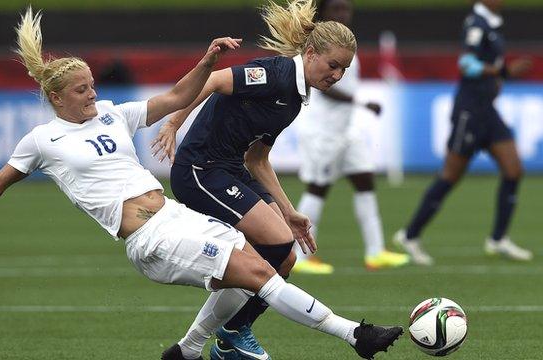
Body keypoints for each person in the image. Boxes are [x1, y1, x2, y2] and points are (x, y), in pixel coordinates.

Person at [0, 7, 403, 360]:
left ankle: (188, 350)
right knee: (261, 272)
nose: (93, 94)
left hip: (174, 215)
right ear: (56, 97)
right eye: (81, 90)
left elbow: (175, 96)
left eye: (93, 85)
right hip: (149, 238)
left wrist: (207, 61)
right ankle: (353, 335)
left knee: (265, 264)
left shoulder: (111, 115)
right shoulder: (42, 139)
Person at [151, 1, 384, 359]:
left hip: (231, 169)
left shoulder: (293, 100)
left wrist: (289, 211)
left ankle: (191, 348)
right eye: (333, 65)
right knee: (274, 243)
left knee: (285, 256)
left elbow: (257, 159)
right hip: (200, 169)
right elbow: (213, 80)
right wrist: (172, 122)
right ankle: (233, 331)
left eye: (344, 69)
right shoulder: (273, 75)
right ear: (309, 53)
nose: (337, 75)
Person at [393, 0, 533, 265]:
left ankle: (498, 239)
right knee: (450, 176)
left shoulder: (493, 24)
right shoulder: (475, 24)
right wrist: (502, 72)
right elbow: (466, 64)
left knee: (514, 169)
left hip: (487, 111)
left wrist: (499, 79)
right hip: (469, 111)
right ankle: (409, 235)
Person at [292, 0, 409, 275]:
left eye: (346, 8)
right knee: (317, 189)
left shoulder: (345, 43)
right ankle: (300, 256)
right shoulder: (318, 45)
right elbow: (322, 86)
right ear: (324, 12)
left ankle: (375, 252)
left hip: (347, 132)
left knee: (365, 181)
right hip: (323, 132)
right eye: (337, 9)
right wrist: (361, 101)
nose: (343, 14)